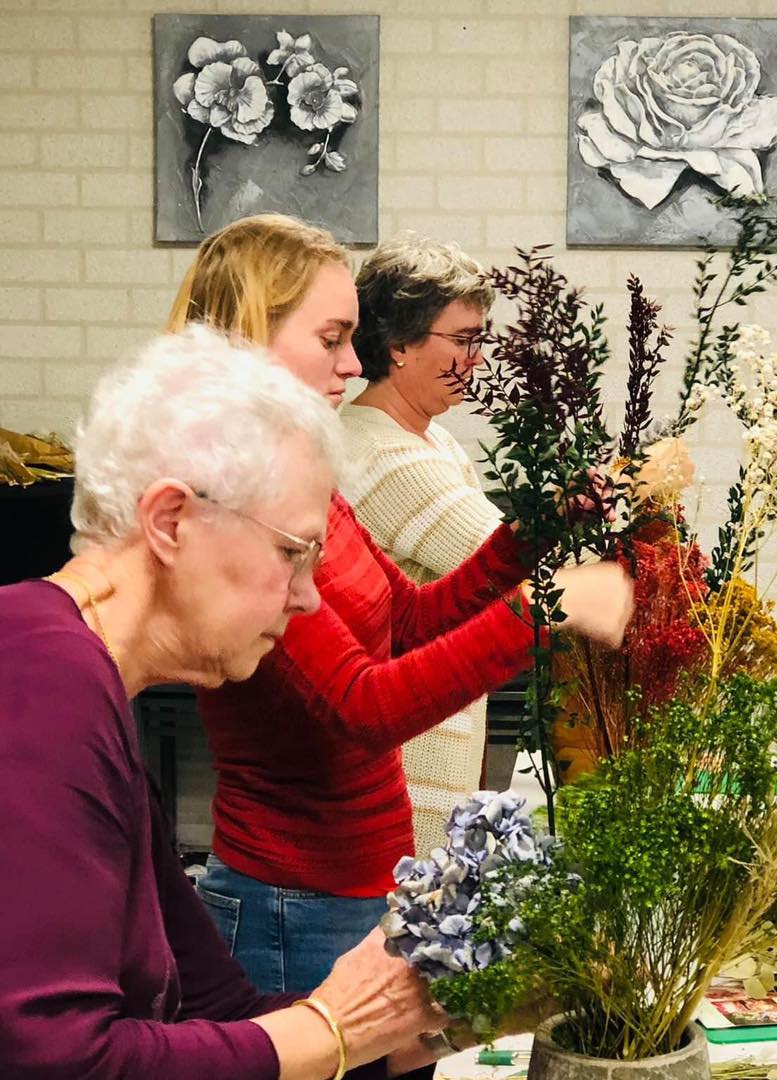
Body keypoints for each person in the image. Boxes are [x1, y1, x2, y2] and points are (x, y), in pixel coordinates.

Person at [166, 214, 635, 994]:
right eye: (331, 339)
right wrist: (543, 614)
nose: (354, 364)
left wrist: (535, 536)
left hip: (350, 889)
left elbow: (410, 619)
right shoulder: (236, 500)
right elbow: (362, 705)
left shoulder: (303, 476)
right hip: (292, 904)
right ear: (252, 336)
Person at [0, 325, 446, 1079]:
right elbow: (55, 1058)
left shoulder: (92, 684)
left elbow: (214, 1003)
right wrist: (330, 1030)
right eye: (290, 553)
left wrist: (455, 1018)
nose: (308, 598)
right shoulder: (42, 680)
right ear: (171, 521)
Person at [342, 233, 504, 856]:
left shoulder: (429, 440)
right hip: (407, 767)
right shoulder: (383, 453)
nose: (478, 360)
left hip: (431, 746)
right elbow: (514, 564)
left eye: (479, 340)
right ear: (400, 344)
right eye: (463, 340)